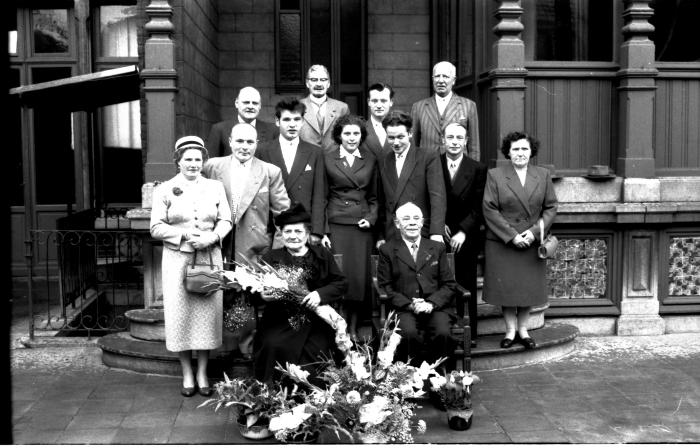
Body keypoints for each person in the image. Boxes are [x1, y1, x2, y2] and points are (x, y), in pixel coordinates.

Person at [150, 136, 233, 397]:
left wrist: (211, 237)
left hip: (209, 257)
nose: (194, 164)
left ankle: (202, 372)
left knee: (207, 316)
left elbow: (226, 219)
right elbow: (155, 227)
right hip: (178, 260)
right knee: (181, 316)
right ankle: (187, 372)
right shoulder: (164, 189)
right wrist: (184, 236)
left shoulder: (215, 187)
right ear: (178, 162)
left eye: (198, 159)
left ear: (203, 161)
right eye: (188, 159)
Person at [253, 203, 348, 383]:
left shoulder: (322, 255)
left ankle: (314, 398)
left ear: (307, 233)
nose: (293, 236)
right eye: (288, 232)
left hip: (315, 318)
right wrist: (262, 295)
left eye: (298, 231)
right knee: (274, 345)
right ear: (281, 234)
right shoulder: (271, 258)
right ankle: (275, 397)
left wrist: (319, 294)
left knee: (317, 350)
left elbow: (341, 283)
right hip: (280, 318)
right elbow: (257, 291)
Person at [482, 131, 557, 349]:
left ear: (531, 151)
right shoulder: (495, 175)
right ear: (508, 152)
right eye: (515, 149)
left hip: (531, 242)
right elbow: (489, 208)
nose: (520, 153)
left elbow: (551, 207)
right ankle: (510, 330)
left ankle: (524, 331)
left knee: (526, 288)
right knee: (507, 289)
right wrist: (512, 236)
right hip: (504, 241)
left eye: (524, 149)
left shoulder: (542, 175)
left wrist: (532, 233)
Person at [377, 202, 457, 367]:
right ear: (397, 224)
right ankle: (412, 382)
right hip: (405, 309)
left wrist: (431, 304)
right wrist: (410, 305)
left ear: (422, 222)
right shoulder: (387, 250)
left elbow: (449, 284)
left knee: (443, 333)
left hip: (436, 307)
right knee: (408, 334)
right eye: (406, 219)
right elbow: (386, 287)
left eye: (416, 218)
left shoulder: (437, 248)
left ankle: (440, 381)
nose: (412, 222)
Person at [202, 123, 290, 265]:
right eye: (239, 141)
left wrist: (277, 253)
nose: (244, 147)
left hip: (255, 247)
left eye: (249, 142)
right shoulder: (211, 167)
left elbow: (283, 215)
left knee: (249, 287)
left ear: (256, 144)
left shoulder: (270, 172)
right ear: (230, 142)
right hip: (217, 243)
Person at [323, 115, 379, 338]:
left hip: (361, 227)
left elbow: (375, 196)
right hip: (337, 224)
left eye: (356, 133)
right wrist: (324, 230)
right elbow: (322, 196)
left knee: (358, 281)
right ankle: (340, 328)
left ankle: (354, 329)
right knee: (340, 277)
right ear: (339, 136)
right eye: (347, 133)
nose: (352, 138)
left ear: (362, 136)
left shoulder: (371, 159)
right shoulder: (327, 158)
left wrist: (372, 217)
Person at [440, 121, 487, 348]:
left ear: (466, 141)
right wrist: (438, 225)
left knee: (465, 284)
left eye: (460, 138)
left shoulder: (477, 168)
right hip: (440, 235)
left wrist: (463, 231)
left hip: (465, 237)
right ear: (443, 140)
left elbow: (479, 206)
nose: (455, 142)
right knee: (442, 285)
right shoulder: (434, 164)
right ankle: (446, 331)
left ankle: (470, 334)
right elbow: (430, 199)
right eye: (450, 137)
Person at [257, 98, 327, 244]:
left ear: (302, 121)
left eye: (297, 119)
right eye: (287, 119)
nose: (292, 124)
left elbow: (319, 195)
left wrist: (317, 231)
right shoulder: (263, 151)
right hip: (272, 227)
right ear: (277, 121)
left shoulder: (315, 152)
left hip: (303, 227)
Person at [376, 111, 446, 245]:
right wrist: (381, 236)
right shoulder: (384, 160)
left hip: (420, 232)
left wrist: (436, 232)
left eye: (400, 137)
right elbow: (381, 201)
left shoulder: (427, 157)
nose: (396, 142)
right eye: (391, 137)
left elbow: (437, 197)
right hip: (392, 233)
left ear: (410, 134)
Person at [410, 61, 480, 160]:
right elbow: (413, 144)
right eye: (437, 76)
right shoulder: (418, 107)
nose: (441, 80)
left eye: (446, 77)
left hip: (457, 168)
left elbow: (474, 147)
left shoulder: (468, 106)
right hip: (427, 167)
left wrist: (473, 171)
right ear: (432, 79)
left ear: (454, 80)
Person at [207, 86, 278, 157]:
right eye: (246, 102)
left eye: (255, 103)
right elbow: (211, 164)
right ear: (236, 103)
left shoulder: (273, 131)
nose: (250, 107)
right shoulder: (219, 130)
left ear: (260, 106)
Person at [299, 64, 349, 152]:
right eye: (314, 80)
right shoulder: (297, 107)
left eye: (323, 80)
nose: (319, 84)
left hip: (333, 162)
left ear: (328, 83)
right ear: (307, 83)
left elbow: (346, 138)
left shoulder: (342, 108)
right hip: (306, 161)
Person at [361, 82, 394, 158]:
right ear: (369, 102)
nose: (379, 105)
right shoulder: (360, 130)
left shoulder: (403, 130)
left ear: (391, 102)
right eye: (375, 101)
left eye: (383, 101)